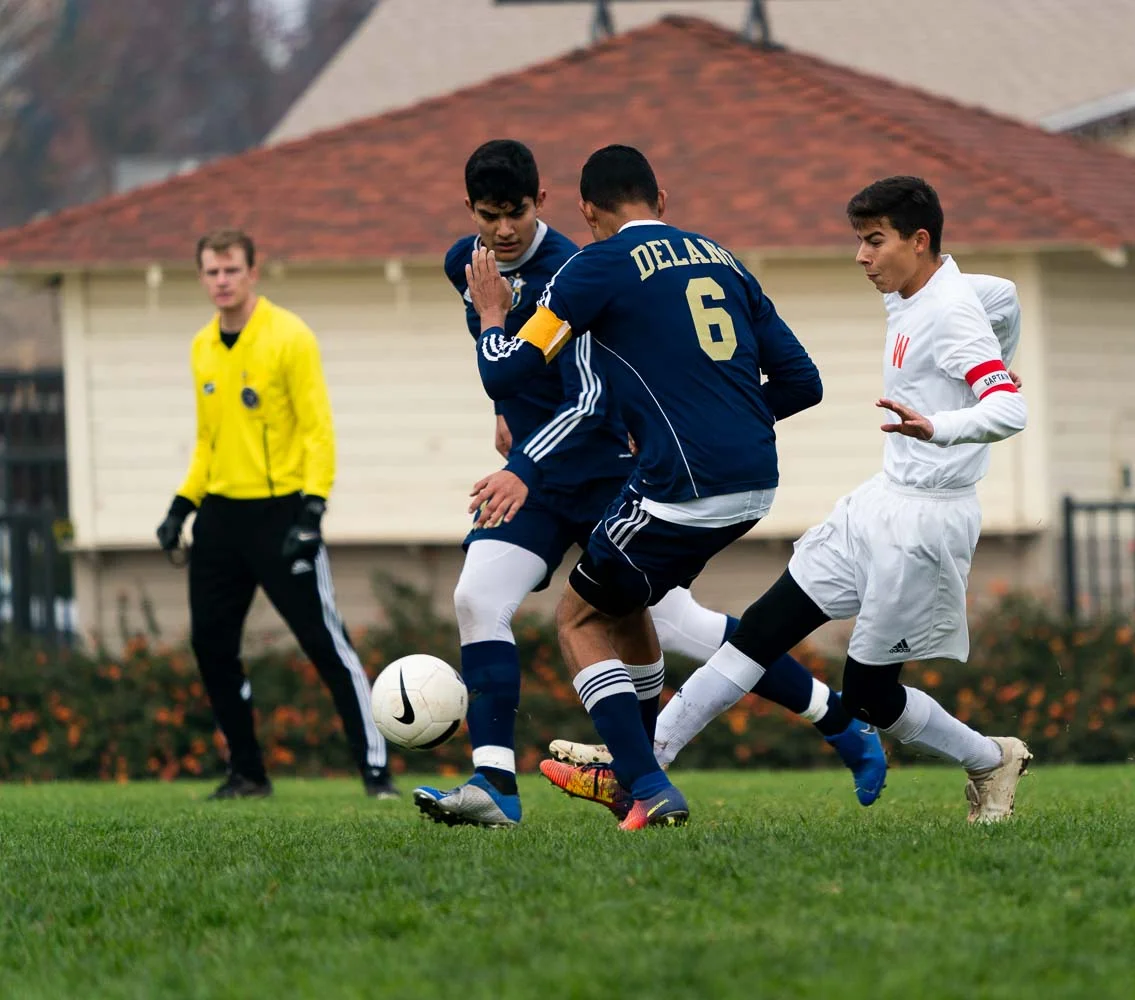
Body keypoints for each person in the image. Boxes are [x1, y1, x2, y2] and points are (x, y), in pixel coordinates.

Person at [412, 140, 883, 830]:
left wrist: (523, 461)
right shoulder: (469, 262)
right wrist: (504, 416)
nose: (504, 228)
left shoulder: (579, 268)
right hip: (544, 481)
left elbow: (586, 398)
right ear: (470, 211)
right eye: (490, 216)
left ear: (556, 205)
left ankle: (825, 724)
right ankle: (495, 785)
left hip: (598, 470)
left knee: (664, 623)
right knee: (477, 599)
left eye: (516, 212)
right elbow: (512, 375)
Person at [641, 176, 1035, 824]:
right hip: (879, 502)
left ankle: (990, 758)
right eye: (859, 240)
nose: (861, 256)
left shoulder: (950, 314)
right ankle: (642, 762)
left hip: (927, 522)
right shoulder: (936, 291)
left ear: (919, 240)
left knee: (870, 697)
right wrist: (1000, 353)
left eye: (874, 241)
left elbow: (1010, 408)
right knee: (763, 629)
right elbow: (1007, 296)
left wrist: (941, 424)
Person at [154, 229, 394, 801]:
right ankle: (247, 773)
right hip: (220, 519)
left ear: (252, 272)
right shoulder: (202, 347)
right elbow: (209, 441)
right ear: (202, 277)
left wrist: (313, 508)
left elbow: (317, 430)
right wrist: (181, 505)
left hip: (283, 515)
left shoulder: (290, 336)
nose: (222, 281)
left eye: (231, 270)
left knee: (325, 644)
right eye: (212, 272)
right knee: (211, 646)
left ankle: (376, 773)